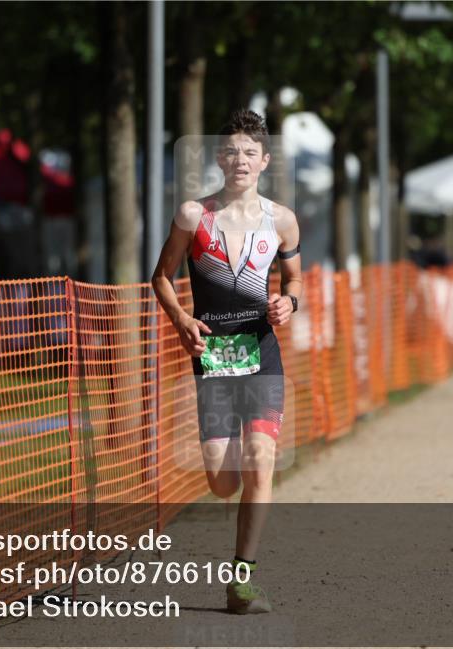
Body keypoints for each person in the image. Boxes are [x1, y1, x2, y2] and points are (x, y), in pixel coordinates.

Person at [151, 110, 302, 614]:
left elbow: (295, 279)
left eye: (249, 152)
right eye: (231, 151)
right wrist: (181, 320)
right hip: (214, 357)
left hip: (261, 352)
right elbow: (161, 277)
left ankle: (242, 581)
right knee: (223, 481)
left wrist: (289, 302)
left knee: (261, 463)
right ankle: (228, 469)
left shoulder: (281, 220)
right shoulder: (194, 215)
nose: (240, 160)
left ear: (265, 161)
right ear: (219, 158)